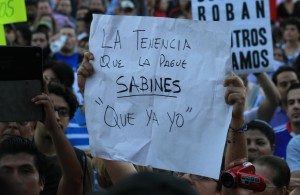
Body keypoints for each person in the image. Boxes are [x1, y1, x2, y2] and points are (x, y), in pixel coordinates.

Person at [77, 52, 247, 195]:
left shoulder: (230, 185)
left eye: (201, 176)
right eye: (181, 173)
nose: (186, 178)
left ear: (222, 189)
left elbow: (235, 172)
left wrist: (236, 119)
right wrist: (93, 94)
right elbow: (113, 153)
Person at [34, 82, 94, 195]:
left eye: (62, 112)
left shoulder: (81, 159)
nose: (55, 117)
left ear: (70, 118)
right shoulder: (21, 152)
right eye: (47, 110)